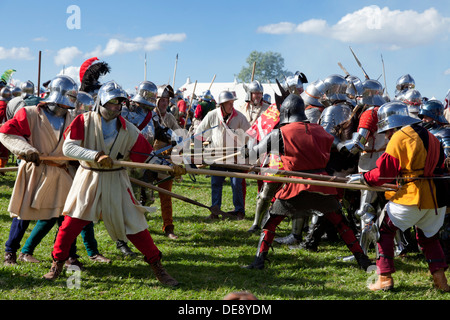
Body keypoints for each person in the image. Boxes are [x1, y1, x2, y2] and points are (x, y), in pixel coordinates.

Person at [43, 80, 182, 286]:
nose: (116, 107)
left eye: (119, 104)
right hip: (88, 178)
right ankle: (57, 264)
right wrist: (95, 155)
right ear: (101, 102)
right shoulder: (84, 121)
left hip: (117, 179)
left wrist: (170, 167)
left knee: (136, 227)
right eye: (112, 103)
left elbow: (145, 156)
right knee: (70, 226)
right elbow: (69, 148)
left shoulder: (129, 129)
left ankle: (157, 266)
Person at [244, 94, 373, 271]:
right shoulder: (320, 130)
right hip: (322, 186)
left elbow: (252, 154)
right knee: (341, 223)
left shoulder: (280, 133)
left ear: (286, 112)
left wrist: (245, 149)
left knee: (271, 221)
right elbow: (340, 146)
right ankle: (362, 260)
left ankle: (259, 261)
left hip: (295, 187)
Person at [0, 75, 107, 266]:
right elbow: (7, 132)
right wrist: (26, 150)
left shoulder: (72, 119)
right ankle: (10, 253)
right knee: (23, 214)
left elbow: (79, 143)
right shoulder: (29, 113)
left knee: (66, 216)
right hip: (36, 169)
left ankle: (68, 255)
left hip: (62, 172)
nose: (65, 107)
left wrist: (79, 159)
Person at [348, 101, 449, 292]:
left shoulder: (399, 137)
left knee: (382, 229)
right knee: (430, 238)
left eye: (387, 131)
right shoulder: (431, 136)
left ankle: (384, 278)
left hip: (413, 197)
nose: (386, 135)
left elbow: (383, 173)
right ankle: (441, 280)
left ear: (393, 125)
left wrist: (363, 178)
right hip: (436, 200)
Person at [194, 90, 250, 219]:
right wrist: (198, 156)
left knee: (237, 185)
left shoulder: (240, 117)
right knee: (216, 184)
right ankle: (215, 210)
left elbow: (250, 135)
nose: (232, 106)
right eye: (228, 103)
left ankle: (239, 211)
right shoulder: (212, 115)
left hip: (235, 157)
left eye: (232, 103)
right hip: (217, 156)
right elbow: (199, 133)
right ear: (221, 105)